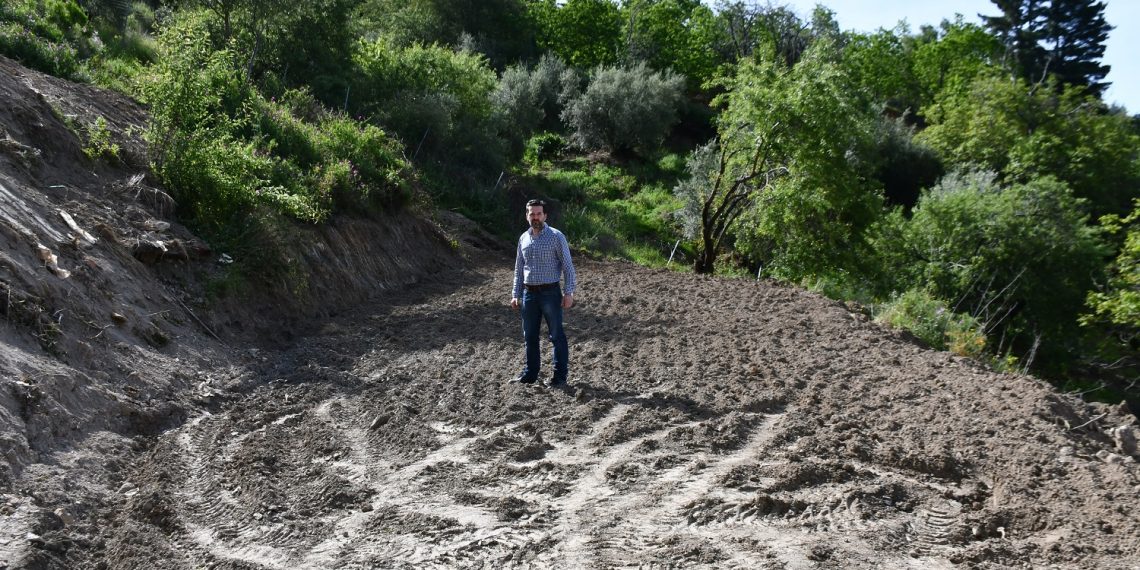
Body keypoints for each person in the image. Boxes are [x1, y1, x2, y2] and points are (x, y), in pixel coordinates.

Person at [510, 199, 577, 387]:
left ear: (545, 215)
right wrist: (516, 294)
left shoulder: (556, 237)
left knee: (556, 335)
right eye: (532, 214)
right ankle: (530, 374)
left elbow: (568, 267)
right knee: (529, 336)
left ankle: (559, 377)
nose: (535, 217)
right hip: (529, 294)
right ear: (527, 216)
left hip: (550, 293)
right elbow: (519, 268)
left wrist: (569, 292)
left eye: (539, 214)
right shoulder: (523, 238)